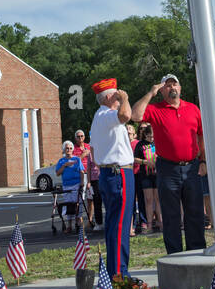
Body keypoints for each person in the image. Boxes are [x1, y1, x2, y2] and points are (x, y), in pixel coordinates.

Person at [130, 74, 206, 256]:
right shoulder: (156, 109)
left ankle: (196, 252)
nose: (172, 88)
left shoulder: (193, 109)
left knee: (194, 211)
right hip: (167, 168)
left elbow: (202, 135)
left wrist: (203, 160)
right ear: (162, 90)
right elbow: (135, 115)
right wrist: (151, 92)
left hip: (192, 166)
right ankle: (175, 255)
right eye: (167, 85)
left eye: (175, 84)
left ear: (180, 88)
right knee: (170, 214)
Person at [88, 79, 134, 276]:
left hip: (110, 172)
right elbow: (126, 115)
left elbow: (93, 150)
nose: (119, 98)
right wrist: (125, 99)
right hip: (118, 173)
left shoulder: (99, 117)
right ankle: (119, 273)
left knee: (115, 223)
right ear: (108, 97)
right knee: (120, 224)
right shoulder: (107, 115)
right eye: (116, 95)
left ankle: (115, 270)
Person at [134, 124, 162, 234]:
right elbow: (135, 159)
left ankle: (161, 222)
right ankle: (149, 225)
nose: (152, 139)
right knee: (148, 200)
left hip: (157, 174)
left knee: (158, 199)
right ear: (145, 134)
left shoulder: (158, 142)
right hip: (145, 175)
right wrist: (145, 162)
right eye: (150, 136)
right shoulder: (140, 144)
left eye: (153, 136)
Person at [55, 141, 85, 234]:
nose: (69, 150)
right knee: (68, 205)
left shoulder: (77, 159)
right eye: (67, 148)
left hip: (76, 184)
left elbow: (82, 171)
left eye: (70, 148)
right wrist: (65, 165)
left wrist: (82, 182)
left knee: (77, 203)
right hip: (66, 185)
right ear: (64, 149)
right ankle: (69, 226)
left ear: (73, 149)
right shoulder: (61, 161)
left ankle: (79, 224)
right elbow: (57, 173)